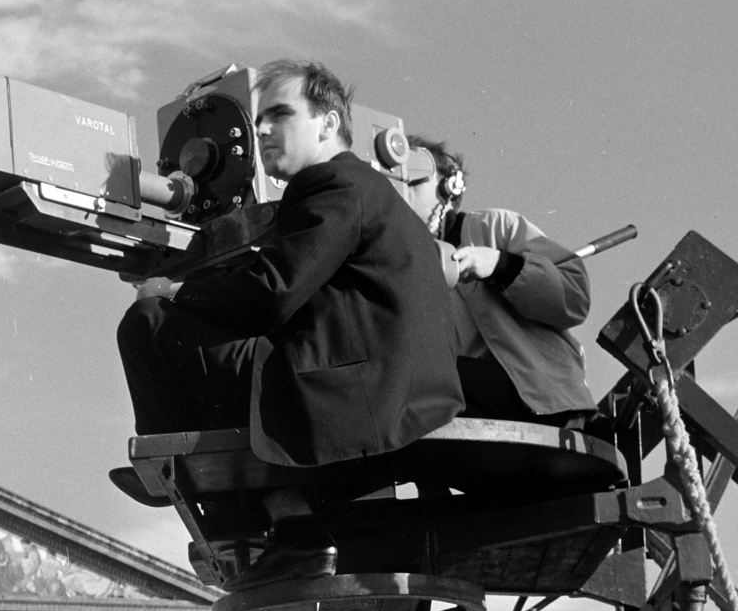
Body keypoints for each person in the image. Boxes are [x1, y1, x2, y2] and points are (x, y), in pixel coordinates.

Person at [117, 59, 461, 584]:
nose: (264, 132)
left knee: (148, 322)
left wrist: (177, 289)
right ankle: (268, 516)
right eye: (260, 124)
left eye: (280, 115)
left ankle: (203, 490)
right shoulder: (368, 191)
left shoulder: (335, 185)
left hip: (358, 390)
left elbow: (274, 292)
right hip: (384, 382)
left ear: (327, 122)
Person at [404, 136, 598, 427]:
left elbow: (575, 295)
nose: (401, 194)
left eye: (413, 182)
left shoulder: (496, 226)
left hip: (540, 395)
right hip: (479, 407)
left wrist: (501, 265)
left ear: (449, 185)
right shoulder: (410, 271)